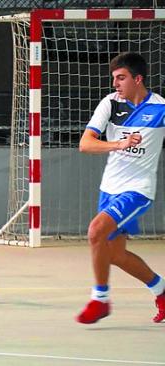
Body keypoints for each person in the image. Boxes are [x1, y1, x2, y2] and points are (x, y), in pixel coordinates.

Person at [77, 52, 165, 324]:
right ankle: (161, 291)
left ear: (138, 79)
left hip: (138, 189)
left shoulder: (161, 108)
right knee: (114, 254)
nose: (116, 83)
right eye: (114, 78)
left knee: (95, 231)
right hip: (110, 187)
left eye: (121, 78)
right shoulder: (110, 104)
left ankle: (100, 299)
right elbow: (86, 144)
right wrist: (119, 144)